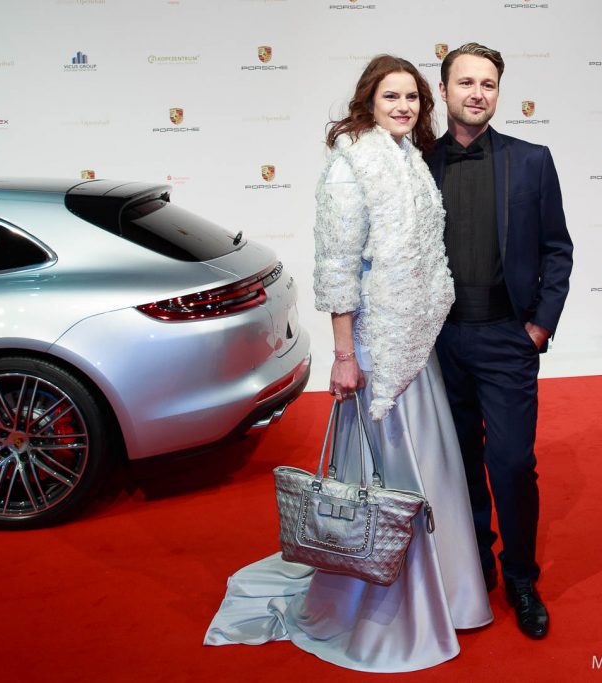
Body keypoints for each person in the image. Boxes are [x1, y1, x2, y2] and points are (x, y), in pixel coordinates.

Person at [204, 55, 493, 672]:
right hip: (371, 345)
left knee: (430, 467)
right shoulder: (351, 164)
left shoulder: (409, 159)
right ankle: (383, 611)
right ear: (369, 101)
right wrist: (342, 356)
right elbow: (337, 268)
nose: (404, 107)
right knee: (389, 474)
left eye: (413, 98)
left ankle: (445, 596)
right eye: (392, 96)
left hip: (414, 342)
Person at [425, 43, 573, 640]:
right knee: (458, 462)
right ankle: (474, 565)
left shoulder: (531, 160)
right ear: (444, 90)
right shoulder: (416, 164)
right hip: (439, 343)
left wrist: (539, 326)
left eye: (488, 84)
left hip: (507, 338)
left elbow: (557, 249)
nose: (477, 93)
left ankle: (520, 577)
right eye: (466, 82)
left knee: (511, 463)